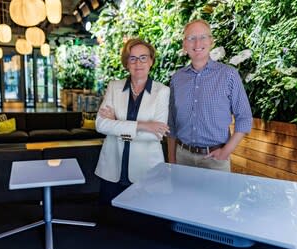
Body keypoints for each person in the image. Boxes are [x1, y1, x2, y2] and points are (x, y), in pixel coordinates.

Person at [167, 19, 252, 172]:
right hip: (182, 158)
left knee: (217, 197)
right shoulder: (177, 79)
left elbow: (244, 118)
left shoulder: (229, 75)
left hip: (215, 161)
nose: (197, 43)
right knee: (182, 197)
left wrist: (226, 151)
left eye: (203, 37)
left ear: (211, 41)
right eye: (191, 38)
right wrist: (172, 160)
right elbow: (171, 123)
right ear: (184, 45)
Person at [95, 38, 170, 205]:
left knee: (142, 225)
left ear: (151, 61)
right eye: (133, 58)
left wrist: (117, 125)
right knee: (110, 223)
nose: (138, 63)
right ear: (126, 62)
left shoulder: (162, 92)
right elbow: (100, 124)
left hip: (146, 170)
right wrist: (143, 125)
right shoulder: (114, 87)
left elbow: (156, 134)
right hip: (113, 168)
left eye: (143, 57)